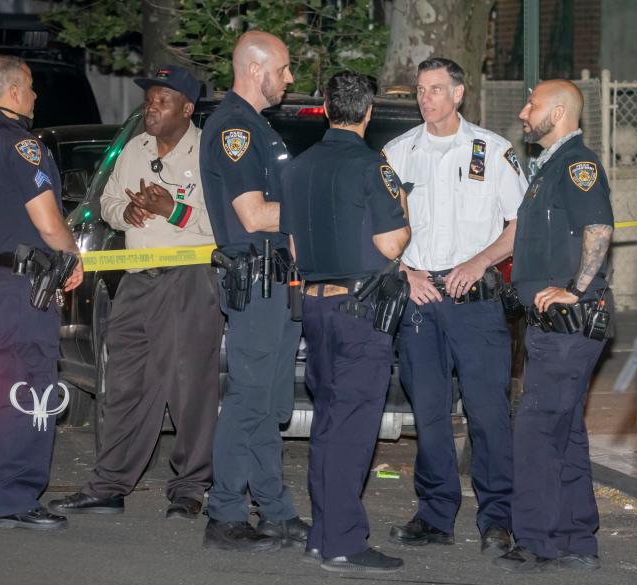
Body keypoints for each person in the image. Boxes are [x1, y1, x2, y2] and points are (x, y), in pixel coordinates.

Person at [48, 66, 223, 520]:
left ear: (186, 108)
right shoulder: (134, 149)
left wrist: (173, 209)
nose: (151, 108)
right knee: (123, 383)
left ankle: (189, 488)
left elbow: (226, 223)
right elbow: (105, 202)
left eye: (162, 100)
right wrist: (127, 212)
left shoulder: (209, 153)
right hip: (136, 278)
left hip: (190, 279)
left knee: (188, 388)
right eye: (148, 100)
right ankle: (109, 485)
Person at [382, 57, 527, 554]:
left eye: (436, 89)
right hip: (420, 298)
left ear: (459, 94)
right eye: (421, 90)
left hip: (473, 298)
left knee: (488, 413)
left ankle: (499, 518)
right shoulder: (398, 153)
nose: (426, 98)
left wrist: (479, 261)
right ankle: (435, 513)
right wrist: (405, 272)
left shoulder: (493, 149)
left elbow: (520, 224)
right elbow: (375, 229)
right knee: (429, 413)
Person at [281, 71, 410, 573]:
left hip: (314, 308)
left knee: (329, 424)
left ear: (327, 108)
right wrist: (403, 205)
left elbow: (291, 246)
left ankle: (322, 532)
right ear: (369, 111)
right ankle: (344, 540)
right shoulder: (370, 166)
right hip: (360, 311)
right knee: (354, 427)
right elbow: (393, 244)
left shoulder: (299, 167)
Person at [0, 55, 83, 530]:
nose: (34, 96)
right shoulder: (23, 145)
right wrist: (74, 256)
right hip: (23, 287)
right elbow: (48, 222)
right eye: (29, 87)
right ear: (12, 93)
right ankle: (16, 497)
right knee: (29, 384)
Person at [494, 80, 614, 572]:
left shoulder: (576, 164)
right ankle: (576, 539)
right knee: (564, 432)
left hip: (568, 322)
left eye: (533, 105)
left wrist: (577, 288)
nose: (524, 112)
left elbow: (600, 227)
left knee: (537, 429)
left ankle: (537, 541)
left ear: (559, 111)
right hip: (552, 324)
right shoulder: (548, 168)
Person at [199, 31, 308, 552]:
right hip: (258, 280)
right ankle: (223, 514)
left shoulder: (259, 127)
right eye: (284, 69)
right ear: (256, 68)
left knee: (267, 402)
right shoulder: (235, 128)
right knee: (248, 399)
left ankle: (275, 511)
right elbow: (253, 214)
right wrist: (323, 212)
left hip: (276, 280)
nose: (289, 78)